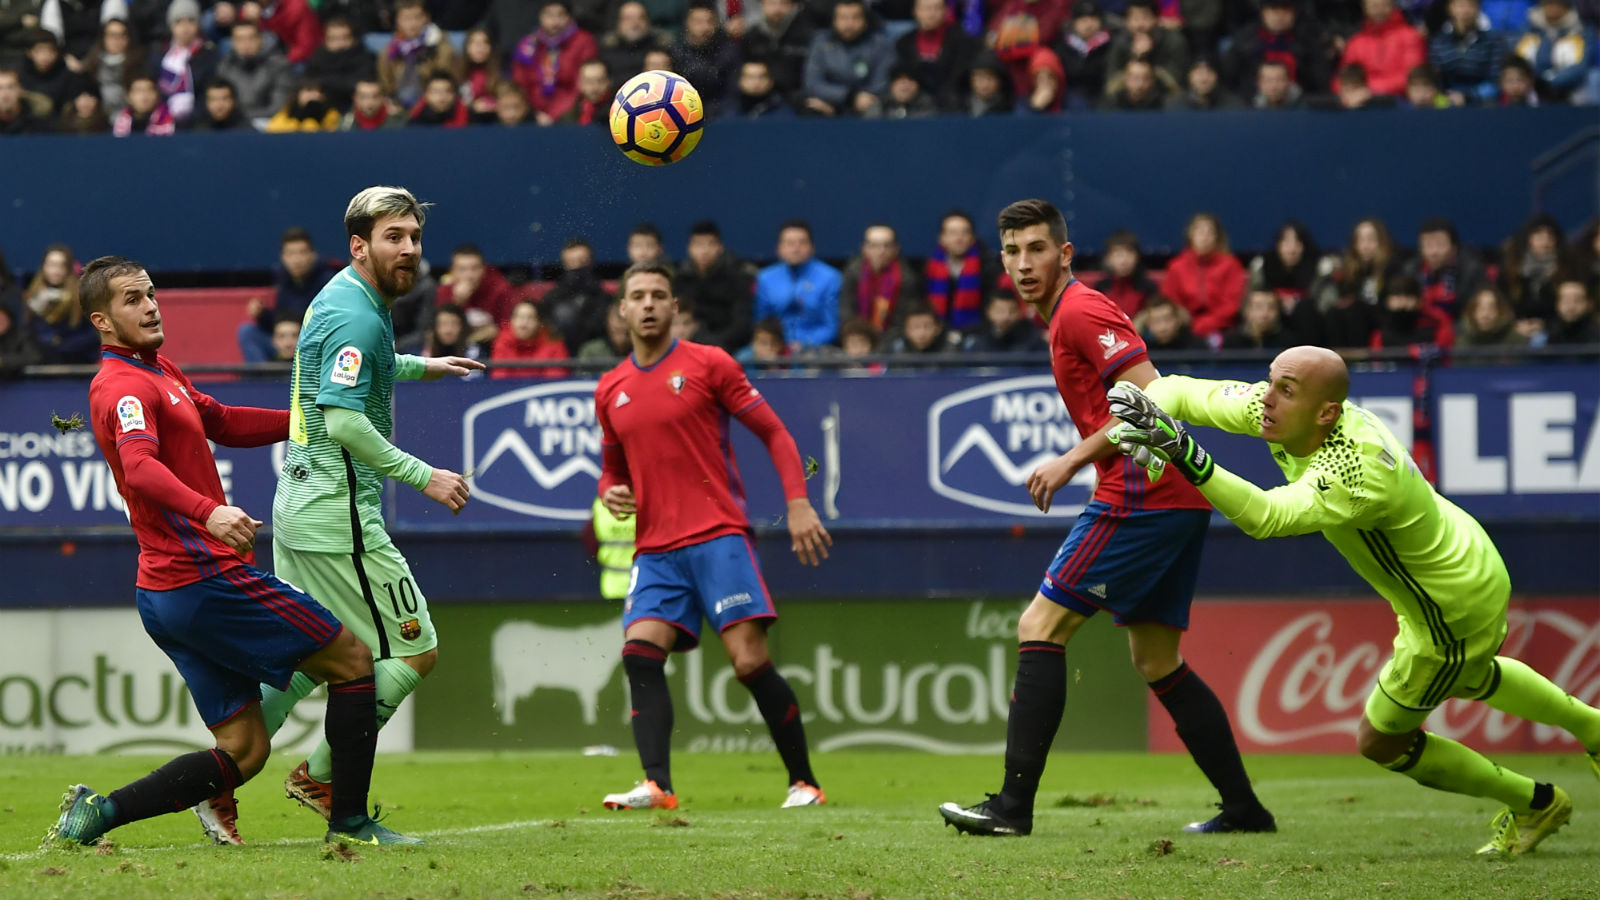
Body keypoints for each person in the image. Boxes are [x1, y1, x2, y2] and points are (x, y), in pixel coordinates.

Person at [1105, 348, 1600, 855]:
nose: (1266, 399)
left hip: (1450, 604)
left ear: (1326, 413)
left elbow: (1266, 517)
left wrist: (1185, 453)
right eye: (1270, 382)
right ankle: (1595, 730)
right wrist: (1135, 416)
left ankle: (1534, 801)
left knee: (1381, 740)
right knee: (1472, 675)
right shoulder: (1287, 409)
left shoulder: (1357, 470)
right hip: (1466, 559)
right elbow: (1181, 390)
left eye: (1285, 390)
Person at [51, 255, 413, 849]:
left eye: (150, 293)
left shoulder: (159, 369)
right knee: (352, 662)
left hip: (165, 592)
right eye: (132, 300)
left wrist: (305, 421)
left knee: (244, 751)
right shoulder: (121, 386)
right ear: (102, 321)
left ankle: (98, 814)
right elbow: (139, 466)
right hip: (202, 576)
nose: (149, 306)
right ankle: (350, 822)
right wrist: (210, 511)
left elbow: (219, 419)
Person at [938, 198, 1274, 838]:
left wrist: (1070, 461)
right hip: (1174, 493)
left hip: (1144, 490)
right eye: (1012, 251)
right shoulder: (1062, 316)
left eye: (1037, 248)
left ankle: (1011, 808)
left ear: (1064, 254)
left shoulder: (1081, 309)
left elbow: (1152, 396)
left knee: (1040, 624)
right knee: (1156, 659)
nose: (1023, 263)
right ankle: (1245, 809)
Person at [257, 186, 484, 831]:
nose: (409, 248)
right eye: (394, 237)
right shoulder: (359, 312)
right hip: (339, 513)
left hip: (299, 502)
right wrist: (426, 477)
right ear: (359, 245)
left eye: (414, 236)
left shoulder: (347, 297)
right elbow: (345, 421)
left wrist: (421, 366)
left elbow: (357, 367)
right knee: (415, 652)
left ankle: (222, 773)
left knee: (313, 658)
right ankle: (322, 778)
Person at [593, 262, 832, 811]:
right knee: (639, 653)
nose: (649, 304)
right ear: (622, 310)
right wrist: (611, 491)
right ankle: (657, 786)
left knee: (748, 663)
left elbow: (774, 432)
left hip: (717, 534)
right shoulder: (610, 390)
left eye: (659, 295)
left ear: (675, 308)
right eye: (638, 296)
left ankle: (805, 783)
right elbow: (612, 469)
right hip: (654, 548)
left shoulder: (709, 364)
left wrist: (797, 504)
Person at [754, 220, 841, 350]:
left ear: (812, 247)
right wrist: (778, 344)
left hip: (817, 349)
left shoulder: (830, 277)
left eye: (802, 242)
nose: (796, 248)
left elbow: (832, 326)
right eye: (790, 243)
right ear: (779, 248)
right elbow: (761, 322)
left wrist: (805, 344)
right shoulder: (765, 278)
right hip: (774, 347)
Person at [1163, 212, 1247, 342]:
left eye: (1210, 233)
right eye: (1199, 232)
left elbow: (1232, 305)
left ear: (1217, 237)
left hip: (1223, 329)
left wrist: (1205, 325)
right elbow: (1171, 302)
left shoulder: (1231, 265)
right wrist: (1187, 323)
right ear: (1190, 235)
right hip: (1185, 329)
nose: (1204, 237)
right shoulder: (1176, 267)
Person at [513, 0, 599, 125]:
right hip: (532, 116)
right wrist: (534, 113)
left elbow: (582, 84)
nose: (555, 21)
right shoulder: (527, 45)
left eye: (560, 15)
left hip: (571, 115)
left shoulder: (584, 41)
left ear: (569, 17)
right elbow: (520, 84)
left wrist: (555, 115)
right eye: (549, 15)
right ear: (540, 17)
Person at [802, 0, 893, 116]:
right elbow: (813, 83)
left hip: (867, 102)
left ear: (865, 21)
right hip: (829, 103)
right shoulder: (820, 42)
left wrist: (860, 98)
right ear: (834, 21)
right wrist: (848, 97)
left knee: (875, 109)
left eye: (855, 18)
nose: (849, 24)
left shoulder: (880, 44)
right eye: (843, 18)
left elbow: (881, 83)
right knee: (811, 106)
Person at [674, 220, 754, 352]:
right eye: (698, 245)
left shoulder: (738, 278)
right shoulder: (680, 280)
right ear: (689, 248)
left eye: (710, 244)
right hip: (688, 347)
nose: (704, 251)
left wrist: (713, 345)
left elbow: (742, 325)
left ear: (720, 247)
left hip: (728, 348)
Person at [840, 223, 923, 332]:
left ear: (896, 249)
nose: (881, 251)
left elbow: (902, 321)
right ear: (864, 248)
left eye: (887, 245)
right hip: (856, 336)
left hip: (891, 339)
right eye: (874, 245)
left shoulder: (907, 278)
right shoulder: (852, 272)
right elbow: (846, 311)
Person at [25, 243, 97, 364]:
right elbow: (26, 334)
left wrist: (63, 345)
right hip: (40, 365)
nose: (56, 271)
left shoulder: (82, 297)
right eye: (52, 265)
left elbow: (93, 335)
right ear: (43, 266)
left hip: (76, 365)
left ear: (68, 268)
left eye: (61, 265)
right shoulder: (32, 296)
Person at [378, 0, 456, 110]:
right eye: (407, 18)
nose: (413, 23)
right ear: (397, 21)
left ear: (427, 18)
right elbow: (385, 85)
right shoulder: (389, 51)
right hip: (399, 107)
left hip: (433, 106)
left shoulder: (442, 46)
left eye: (417, 17)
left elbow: (446, 81)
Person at [217, 20, 292, 120]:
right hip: (235, 125)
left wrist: (245, 118)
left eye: (251, 38)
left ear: (260, 40)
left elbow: (279, 107)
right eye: (240, 39)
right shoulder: (225, 68)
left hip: (268, 123)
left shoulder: (279, 66)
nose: (246, 44)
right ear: (233, 43)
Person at [490, 299, 572, 378]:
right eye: (519, 317)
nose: (523, 323)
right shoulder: (502, 342)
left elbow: (554, 383)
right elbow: (499, 379)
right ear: (511, 320)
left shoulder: (554, 345)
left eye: (530, 318)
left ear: (540, 322)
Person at [961, 292, 1046, 353]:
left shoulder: (1032, 341)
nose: (1006, 316)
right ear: (989, 312)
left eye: (1012, 311)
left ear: (1019, 312)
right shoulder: (977, 341)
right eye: (1000, 311)